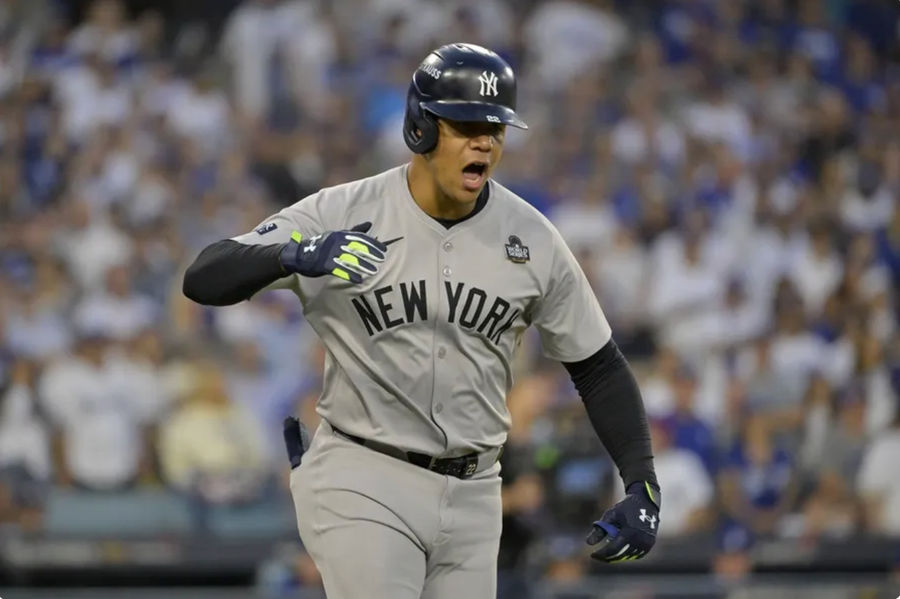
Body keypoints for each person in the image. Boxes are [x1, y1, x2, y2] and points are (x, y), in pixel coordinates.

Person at [183, 43, 660, 599]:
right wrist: (290, 253)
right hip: (363, 473)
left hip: (477, 491)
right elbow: (204, 276)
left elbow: (598, 366)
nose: (484, 140)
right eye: (465, 125)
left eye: (495, 128)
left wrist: (642, 483)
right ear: (420, 128)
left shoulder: (531, 238)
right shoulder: (342, 211)